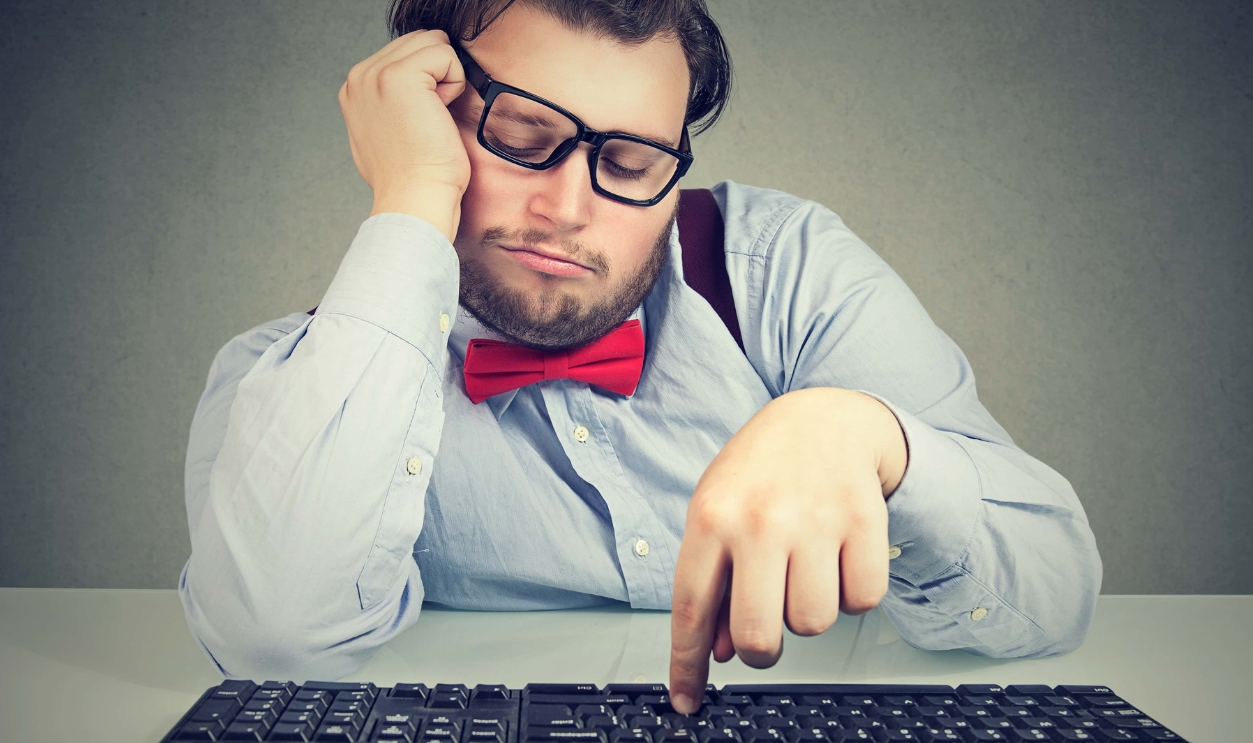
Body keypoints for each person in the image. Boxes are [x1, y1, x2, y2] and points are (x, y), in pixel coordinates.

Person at [179, 0, 1102, 711]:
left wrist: (873, 439)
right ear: (421, 116)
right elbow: (275, 643)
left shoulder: (780, 268)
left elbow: (1052, 590)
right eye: (521, 138)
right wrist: (414, 191)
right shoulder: (294, 381)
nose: (568, 209)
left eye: (625, 166)